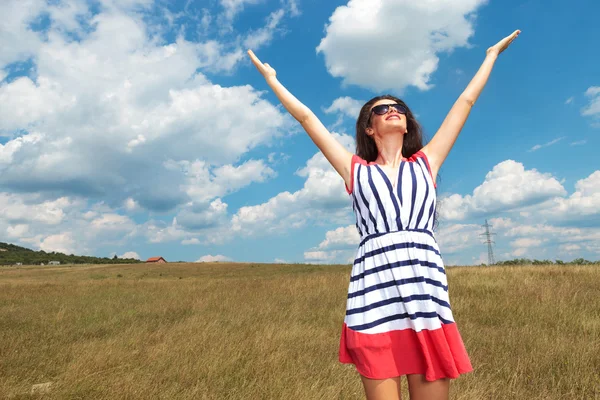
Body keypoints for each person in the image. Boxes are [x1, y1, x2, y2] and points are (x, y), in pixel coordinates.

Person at [248, 29, 520, 400]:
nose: (393, 110)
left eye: (399, 109)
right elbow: (307, 118)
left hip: (425, 300)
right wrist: (272, 81)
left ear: (407, 123)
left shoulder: (427, 162)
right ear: (369, 127)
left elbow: (466, 101)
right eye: (381, 109)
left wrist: (491, 55)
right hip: (373, 302)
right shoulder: (354, 170)